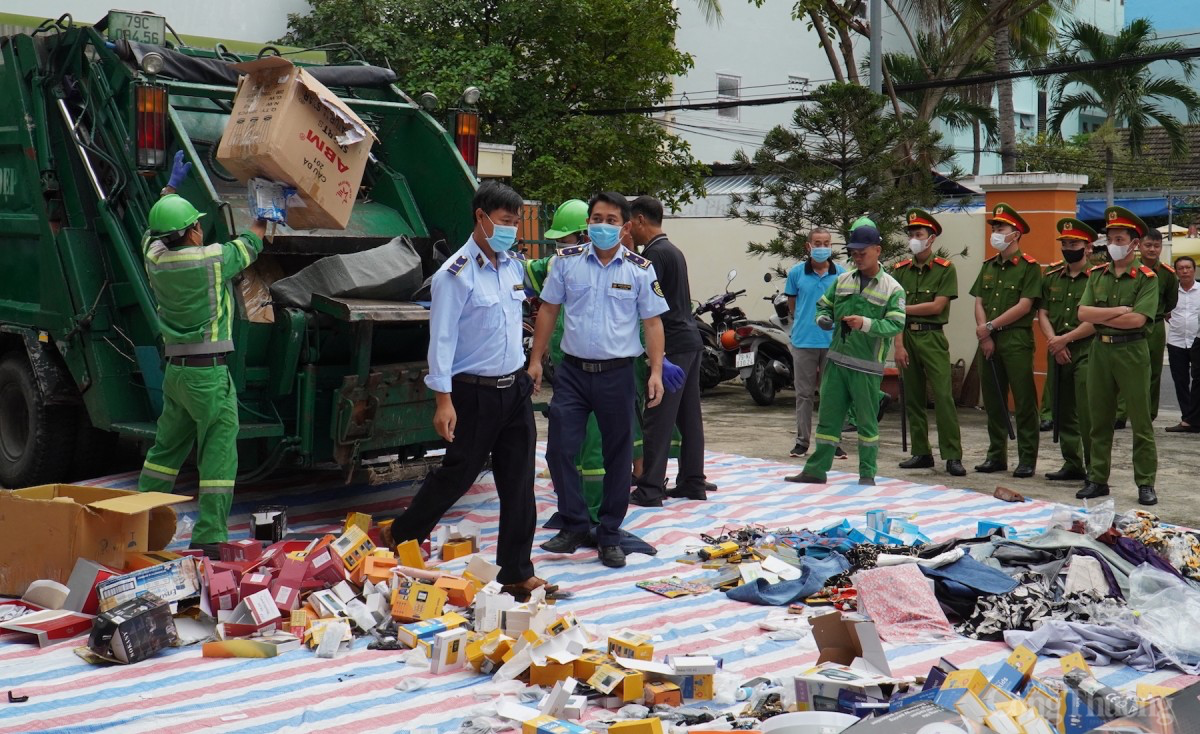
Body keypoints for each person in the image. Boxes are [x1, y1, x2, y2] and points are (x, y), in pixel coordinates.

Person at [381, 181, 553, 599]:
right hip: (473, 392)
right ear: (481, 217)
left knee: (519, 481)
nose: (511, 229)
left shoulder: (512, 267)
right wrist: (443, 401)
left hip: (514, 388)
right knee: (458, 474)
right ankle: (402, 534)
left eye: (515, 223)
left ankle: (516, 570)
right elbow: (441, 342)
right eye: (505, 221)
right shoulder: (455, 275)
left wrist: (531, 366)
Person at [529, 192, 669, 568]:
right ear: (587, 223)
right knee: (559, 450)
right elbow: (548, 309)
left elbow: (653, 323)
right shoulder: (567, 262)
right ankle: (575, 524)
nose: (602, 226)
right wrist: (536, 360)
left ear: (625, 227)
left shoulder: (640, 269)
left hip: (617, 375)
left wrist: (656, 371)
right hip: (573, 374)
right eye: (596, 219)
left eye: (611, 220)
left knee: (617, 457)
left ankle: (608, 534)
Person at [138, 151, 266, 556]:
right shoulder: (211, 261)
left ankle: (138, 525)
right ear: (193, 231)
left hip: (176, 374)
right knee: (218, 454)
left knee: (165, 452)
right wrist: (268, 211)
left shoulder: (155, 259)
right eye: (197, 224)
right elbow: (252, 243)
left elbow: (151, 233)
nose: (200, 229)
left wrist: (169, 188)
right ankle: (210, 536)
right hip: (208, 377)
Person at [785, 225, 906, 486]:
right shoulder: (843, 280)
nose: (857, 258)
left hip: (866, 368)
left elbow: (896, 324)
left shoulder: (892, 288)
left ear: (877, 251)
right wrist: (823, 319)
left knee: (866, 423)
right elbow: (823, 306)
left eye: (863, 253)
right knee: (828, 420)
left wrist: (865, 323)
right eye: (854, 253)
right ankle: (816, 470)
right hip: (836, 363)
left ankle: (867, 473)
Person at [628, 196, 711, 507]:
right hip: (690, 340)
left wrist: (657, 358)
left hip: (672, 344)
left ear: (639, 220)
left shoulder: (653, 255)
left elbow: (651, 310)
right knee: (689, 418)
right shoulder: (672, 250)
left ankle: (650, 488)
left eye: (629, 223)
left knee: (658, 417)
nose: (628, 230)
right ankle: (692, 481)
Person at [1077, 206, 1160, 506]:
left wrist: (1102, 316)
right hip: (1100, 349)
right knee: (1099, 419)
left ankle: (1145, 482)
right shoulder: (1097, 275)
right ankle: (1098, 479)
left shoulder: (1147, 278)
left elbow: (1138, 320)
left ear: (1134, 243)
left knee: (1140, 421)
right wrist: (1117, 312)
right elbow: (1082, 313)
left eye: (1119, 239)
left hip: (1132, 350)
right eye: (1110, 238)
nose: (1113, 244)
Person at [891, 208, 965, 477]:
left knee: (943, 397)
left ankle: (952, 455)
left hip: (932, 336)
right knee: (912, 397)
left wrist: (903, 309)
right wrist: (898, 345)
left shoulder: (945, 269)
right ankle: (921, 452)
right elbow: (893, 314)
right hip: (906, 336)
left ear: (931, 238)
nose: (914, 238)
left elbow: (936, 306)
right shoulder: (900, 271)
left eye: (919, 234)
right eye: (911, 234)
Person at [970, 203, 1041, 478]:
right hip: (987, 339)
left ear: (1016, 233)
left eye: (1001, 228)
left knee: (1024, 401)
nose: (996, 232)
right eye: (995, 227)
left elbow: (1025, 306)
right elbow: (979, 301)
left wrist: (989, 327)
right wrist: (984, 332)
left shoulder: (1029, 267)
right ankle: (996, 455)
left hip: (1015, 339)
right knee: (993, 399)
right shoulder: (988, 266)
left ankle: (1027, 459)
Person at [1036, 218, 1098, 483]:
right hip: (1057, 349)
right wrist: (1054, 341)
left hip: (1086, 349)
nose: (1069, 248)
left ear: (1088, 247)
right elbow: (1043, 313)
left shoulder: (1098, 277)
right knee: (1063, 409)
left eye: (1074, 244)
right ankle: (1072, 463)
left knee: (1087, 411)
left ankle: (1095, 468)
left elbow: (1096, 319)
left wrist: (1065, 340)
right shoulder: (1051, 276)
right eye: (1065, 244)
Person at [783, 228, 847, 460]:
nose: (822, 247)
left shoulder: (842, 274)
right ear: (808, 246)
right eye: (817, 243)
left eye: (826, 243)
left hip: (833, 341)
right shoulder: (796, 273)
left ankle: (833, 441)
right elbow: (792, 305)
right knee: (804, 394)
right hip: (803, 341)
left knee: (833, 394)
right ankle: (802, 442)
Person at [1114, 228, 1177, 427]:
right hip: (1129, 324)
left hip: (1154, 325)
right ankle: (1120, 414)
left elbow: (1171, 301)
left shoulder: (1167, 274)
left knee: (1153, 371)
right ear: (1139, 246)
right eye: (1148, 245)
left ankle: (1148, 413)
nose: (1152, 250)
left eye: (1156, 246)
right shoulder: (1129, 269)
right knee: (1126, 370)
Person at [1166, 256, 1200, 432]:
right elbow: (1164, 311)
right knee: (1180, 381)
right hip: (1176, 342)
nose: (1185, 271)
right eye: (1181, 268)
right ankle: (1187, 419)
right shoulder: (1171, 292)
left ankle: (1195, 417)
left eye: (1188, 267)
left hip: (1197, 341)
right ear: (1176, 272)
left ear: (1194, 269)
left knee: (1198, 381)